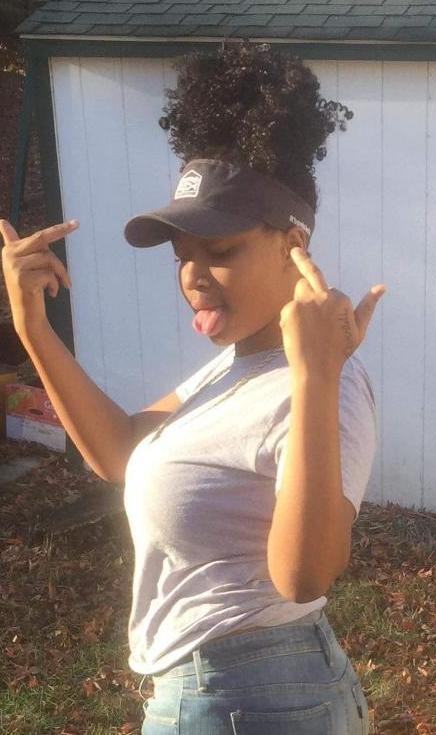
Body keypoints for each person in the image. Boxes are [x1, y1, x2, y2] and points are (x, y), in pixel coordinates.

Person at [0, 38, 385, 735]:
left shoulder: (326, 383)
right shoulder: (236, 365)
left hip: (246, 699)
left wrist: (316, 375)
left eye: (221, 250)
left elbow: (304, 576)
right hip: (232, 695)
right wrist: (35, 330)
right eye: (183, 255)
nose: (193, 275)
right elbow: (119, 451)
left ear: (293, 243)